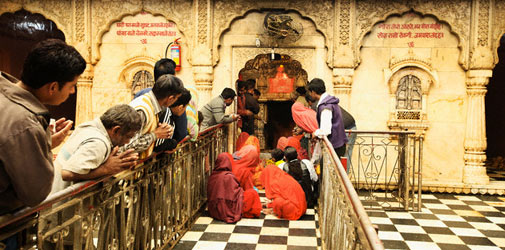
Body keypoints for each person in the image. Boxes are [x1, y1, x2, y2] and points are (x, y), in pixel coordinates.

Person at [0, 39, 86, 248]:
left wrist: (42, 140)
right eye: (72, 86)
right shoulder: (25, 122)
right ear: (53, 87)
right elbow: (36, 192)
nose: (72, 93)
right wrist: (43, 143)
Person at [52, 105, 142, 191]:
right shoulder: (98, 143)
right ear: (116, 130)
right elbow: (67, 174)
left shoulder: (90, 126)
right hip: (62, 202)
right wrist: (106, 169)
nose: (127, 142)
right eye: (128, 137)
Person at [124, 74, 184, 159]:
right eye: (176, 98)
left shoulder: (152, 105)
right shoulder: (142, 110)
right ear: (170, 98)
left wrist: (163, 130)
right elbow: (128, 145)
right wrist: (155, 135)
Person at [307, 78, 347, 157]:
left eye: (310, 92)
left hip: (335, 146)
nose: (310, 95)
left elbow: (326, 130)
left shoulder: (326, 106)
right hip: (339, 143)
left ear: (313, 92)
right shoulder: (329, 101)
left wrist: (315, 133)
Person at [207, 153, 244, 223]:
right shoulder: (229, 177)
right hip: (226, 210)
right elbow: (235, 194)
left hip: (213, 210)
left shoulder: (212, 176)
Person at [340, 106, 357, 172]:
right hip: (349, 128)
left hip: (347, 130)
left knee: (344, 156)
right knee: (346, 155)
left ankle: (342, 178)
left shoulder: (323, 107)